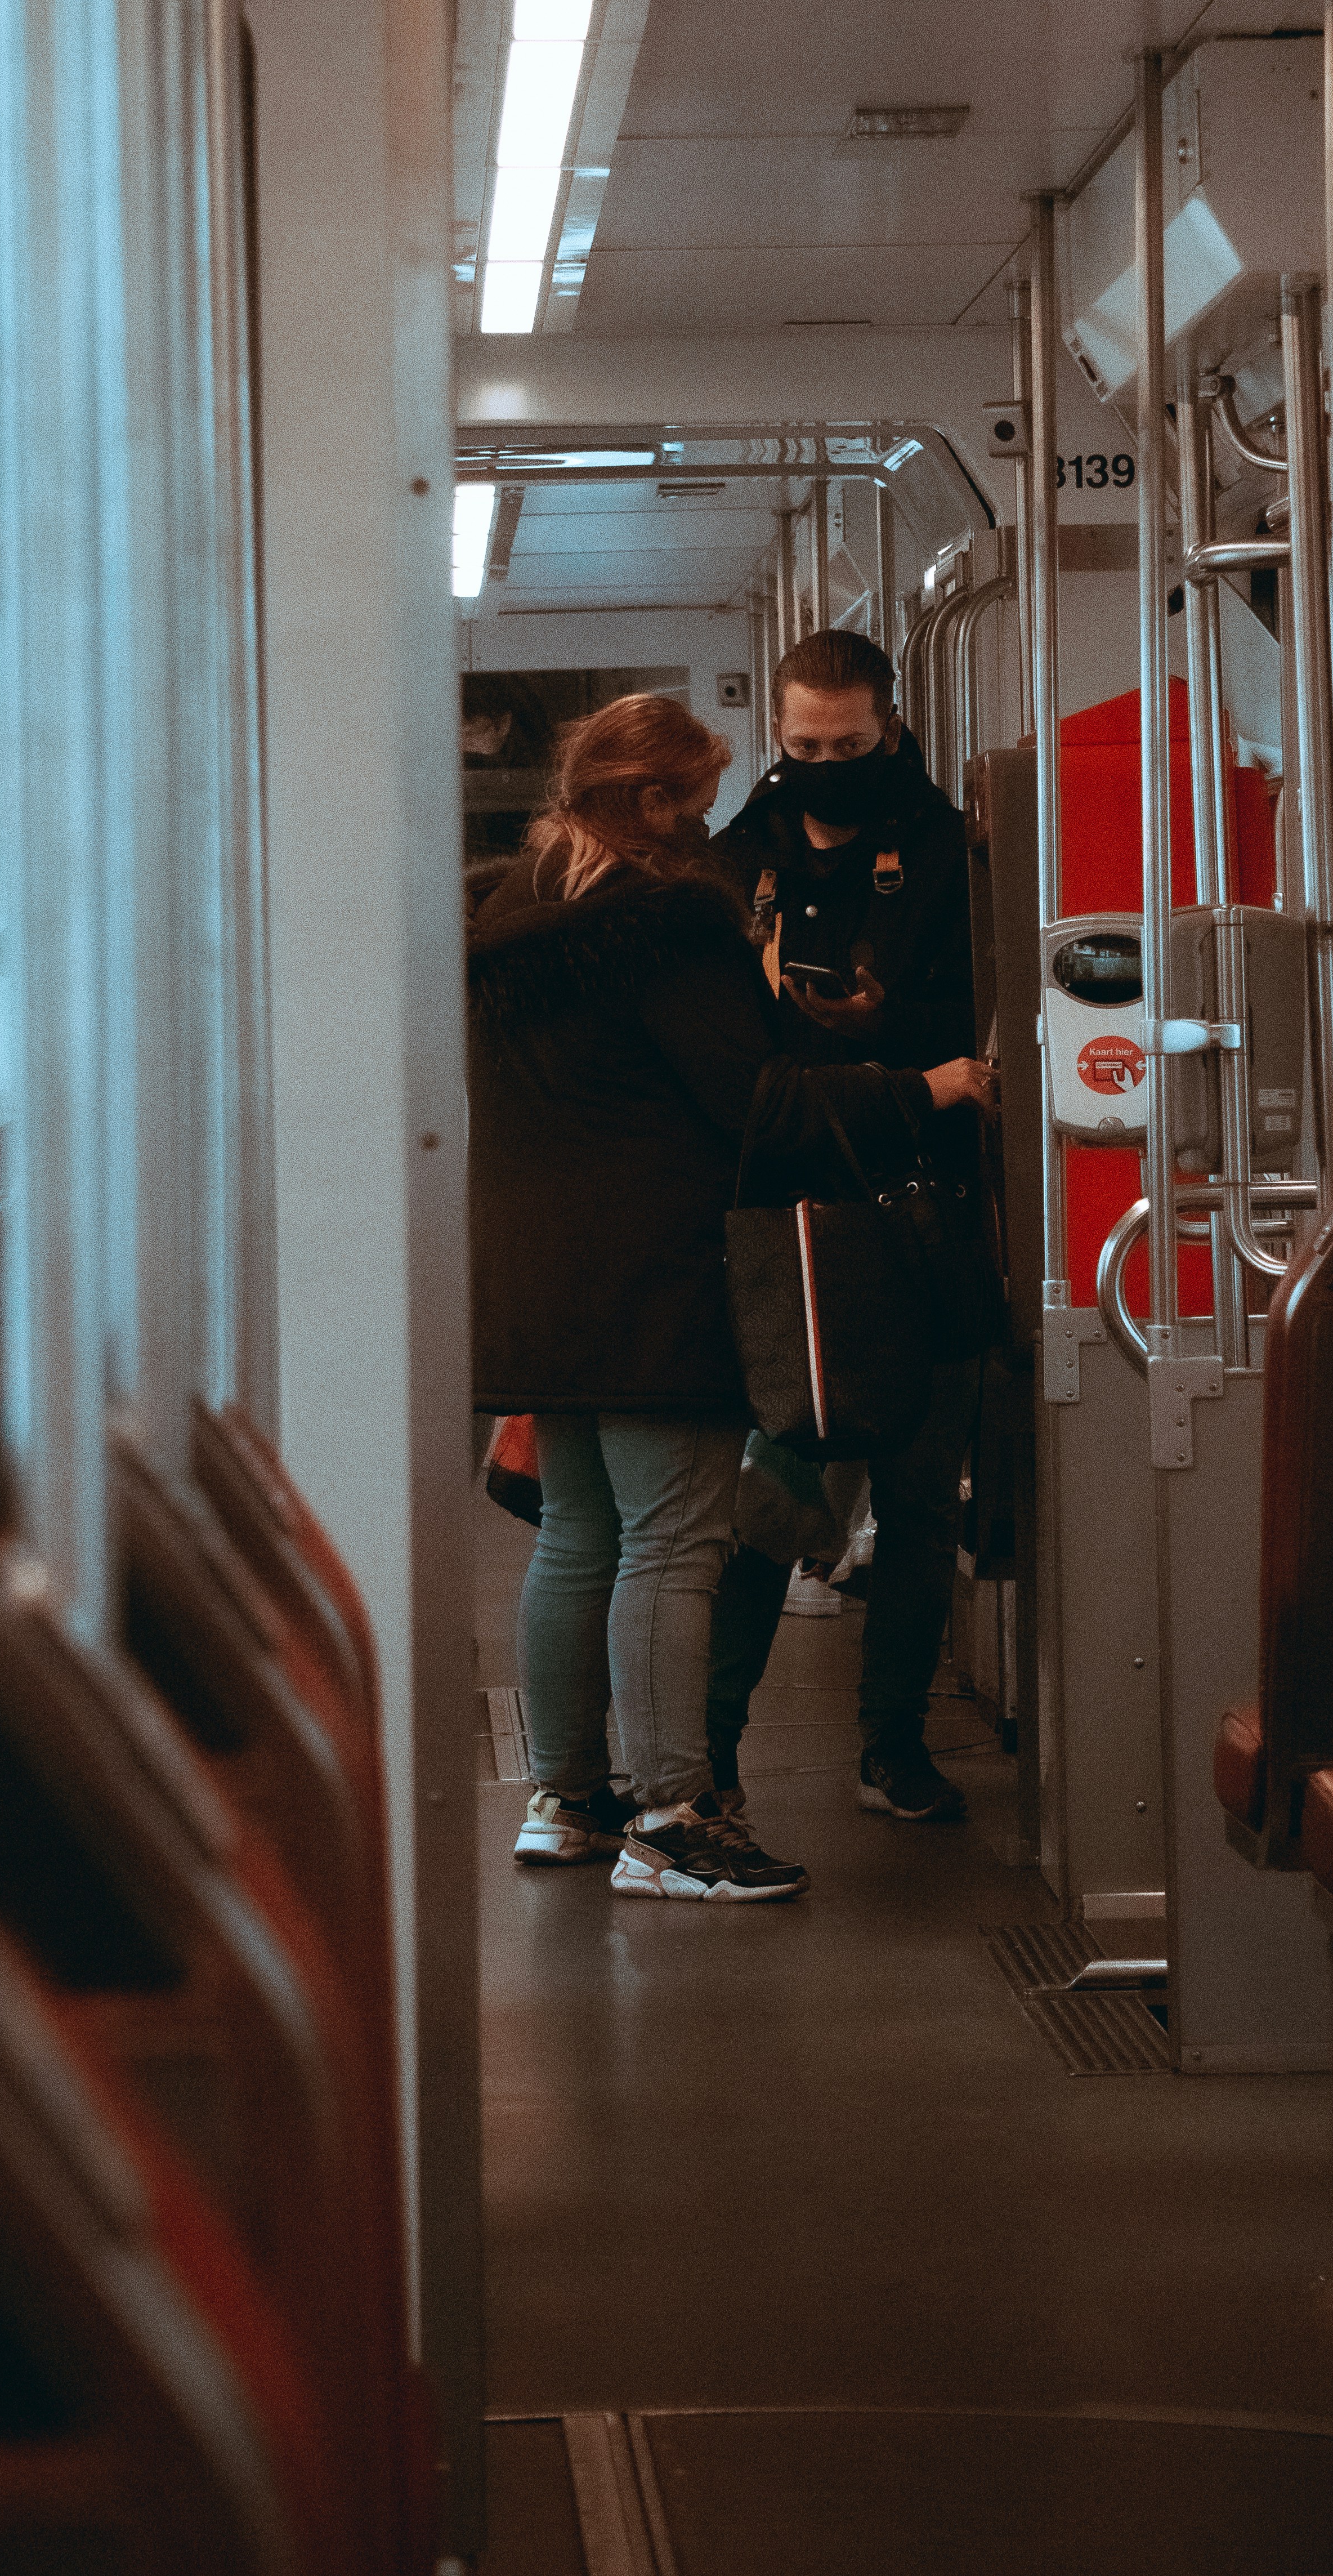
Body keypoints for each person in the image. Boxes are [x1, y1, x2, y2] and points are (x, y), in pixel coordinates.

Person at [467, 690, 995, 1907]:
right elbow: (757, 1107)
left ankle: (567, 1798)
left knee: (582, 1535)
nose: (707, 830)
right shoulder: (665, 926)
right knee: (673, 1541)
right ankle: (673, 1816)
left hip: (540, 1284)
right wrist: (926, 1088)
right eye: (695, 803)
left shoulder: (510, 912)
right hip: (656, 1278)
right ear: (647, 803)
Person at [706, 626, 994, 1828]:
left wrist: (884, 1023)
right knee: (773, 1495)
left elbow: (983, 1021)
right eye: (801, 744)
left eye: (848, 744)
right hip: (791, 1222)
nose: (823, 763)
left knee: (923, 1493)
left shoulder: (949, 855)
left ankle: (892, 1743)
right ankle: (710, 1755)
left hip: (925, 1207)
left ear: (890, 726)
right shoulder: (736, 863)